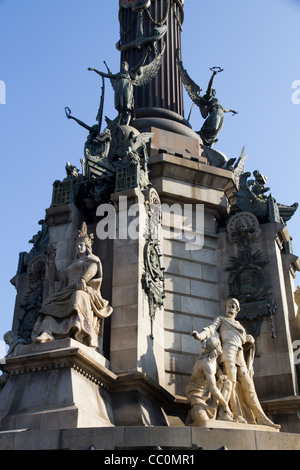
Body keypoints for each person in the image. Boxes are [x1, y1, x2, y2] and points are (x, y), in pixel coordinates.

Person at [191, 298, 280, 428]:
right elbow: (210, 329)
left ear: (237, 310)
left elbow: (243, 341)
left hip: (239, 356)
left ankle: (261, 417)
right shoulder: (221, 320)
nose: (231, 307)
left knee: (248, 385)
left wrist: (249, 340)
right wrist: (200, 336)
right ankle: (231, 414)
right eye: (229, 305)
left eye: (234, 306)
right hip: (227, 354)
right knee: (231, 385)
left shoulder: (240, 326)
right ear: (225, 307)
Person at [32, 223, 113, 348]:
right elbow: (59, 277)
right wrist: (52, 261)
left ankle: (80, 331)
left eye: (82, 245)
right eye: (78, 245)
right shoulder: (72, 264)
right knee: (50, 302)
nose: (79, 247)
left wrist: (83, 279)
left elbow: (93, 270)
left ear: (87, 247)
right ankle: (47, 332)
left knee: (78, 296)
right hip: (68, 290)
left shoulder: (92, 259)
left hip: (85, 290)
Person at [186, 334, 233, 424]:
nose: (221, 346)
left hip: (208, 394)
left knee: (227, 383)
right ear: (216, 348)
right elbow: (213, 388)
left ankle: (222, 414)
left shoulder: (211, 358)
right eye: (219, 344)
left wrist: (220, 375)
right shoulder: (206, 363)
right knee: (203, 422)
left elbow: (217, 368)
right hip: (198, 396)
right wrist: (225, 405)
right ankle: (194, 411)